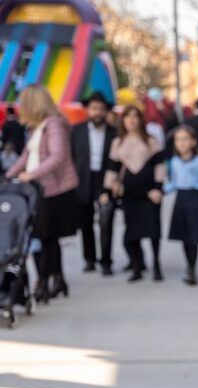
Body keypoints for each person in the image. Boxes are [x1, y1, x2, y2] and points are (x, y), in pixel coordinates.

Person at [6, 85, 79, 302]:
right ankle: (58, 279)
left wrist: (31, 174)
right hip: (43, 190)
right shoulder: (38, 128)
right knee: (48, 238)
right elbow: (26, 156)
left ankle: (43, 282)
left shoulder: (54, 125)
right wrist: (8, 176)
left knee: (46, 237)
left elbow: (58, 156)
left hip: (55, 189)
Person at [105, 105, 165, 283]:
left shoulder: (151, 141)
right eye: (127, 116)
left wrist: (158, 188)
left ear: (140, 119)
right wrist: (107, 190)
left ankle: (156, 265)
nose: (131, 120)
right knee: (132, 233)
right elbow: (112, 169)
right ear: (122, 120)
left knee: (153, 231)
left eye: (135, 116)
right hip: (129, 194)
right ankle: (137, 266)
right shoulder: (118, 143)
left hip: (150, 193)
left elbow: (159, 166)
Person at [71, 91, 117, 275]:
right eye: (94, 108)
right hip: (83, 179)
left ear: (105, 111)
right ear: (87, 110)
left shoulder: (113, 132)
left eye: (101, 109)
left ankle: (106, 261)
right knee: (86, 222)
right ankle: (89, 259)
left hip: (105, 179)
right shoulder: (77, 130)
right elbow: (71, 156)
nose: (97, 112)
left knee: (106, 220)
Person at [164, 125, 198, 286]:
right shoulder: (174, 161)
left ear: (193, 141)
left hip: (194, 199)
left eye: (185, 139)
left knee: (194, 237)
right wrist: (160, 190)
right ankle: (189, 266)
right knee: (184, 236)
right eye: (178, 140)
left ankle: (192, 269)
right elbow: (174, 182)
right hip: (180, 200)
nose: (181, 143)